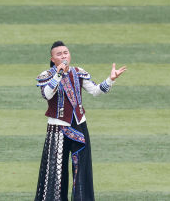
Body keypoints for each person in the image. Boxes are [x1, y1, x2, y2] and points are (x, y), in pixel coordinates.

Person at [35, 41, 125, 201]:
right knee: (56, 171)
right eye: (59, 54)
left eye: (66, 53)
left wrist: (110, 79)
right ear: (52, 59)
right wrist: (58, 74)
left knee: (82, 168)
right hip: (57, 128)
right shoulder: (47, 75)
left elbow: (96, 91)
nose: (63, 56)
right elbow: (46, 94)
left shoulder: (78, 72)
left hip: (80, 125)